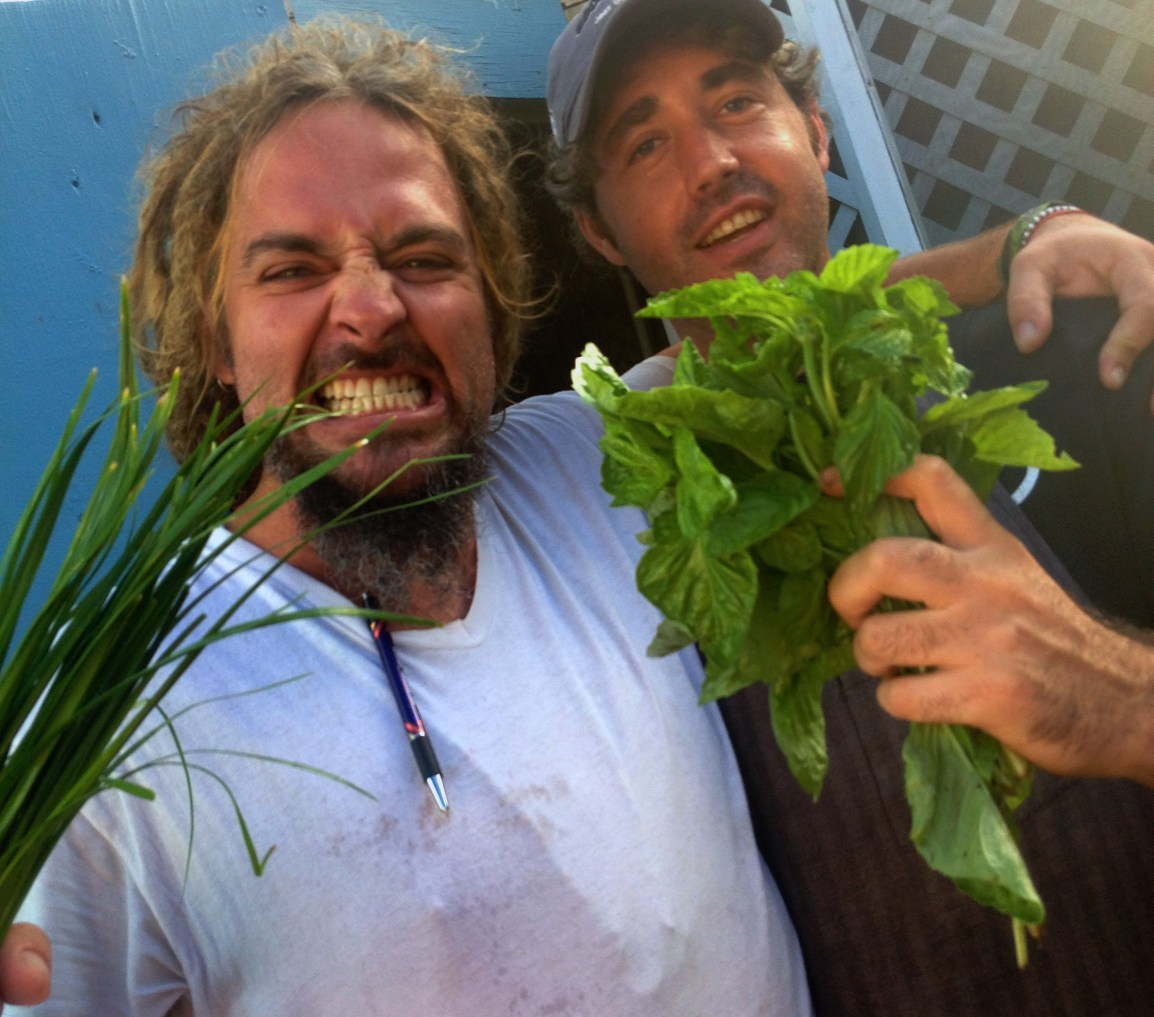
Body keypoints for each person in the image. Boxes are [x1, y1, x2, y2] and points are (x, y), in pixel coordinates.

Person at [10, 17, 810, 1016]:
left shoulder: (596, 460)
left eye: (424, 257)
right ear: (215, 338)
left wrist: (1002, 258)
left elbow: (779, 341)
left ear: (491, 299)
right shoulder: (117, 727)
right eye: (292, 270)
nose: (371, 309)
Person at [543, 0, 1154, 1014]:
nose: (711, 163)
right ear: (597, 230)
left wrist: (1119, 701)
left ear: (818, 134)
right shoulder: (617, 507)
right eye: (645, 143)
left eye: (737, 103)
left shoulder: (1076, 353)